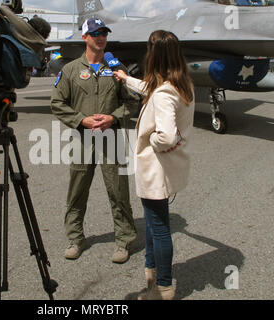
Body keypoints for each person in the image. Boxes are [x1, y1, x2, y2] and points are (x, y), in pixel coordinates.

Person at [113, 30, 195, 300]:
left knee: (159, 228)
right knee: (151, 223)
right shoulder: (181, 85)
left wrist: (151, 140)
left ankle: (163, 287)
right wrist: (126, 79)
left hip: (156, 168)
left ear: (154, 55)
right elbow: (152, 89)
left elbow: (167, 134)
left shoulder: (163, 94)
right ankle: (151, 273)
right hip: (168, 167)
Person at [51, 18, 140, 263]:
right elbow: (57, 103)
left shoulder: (116, 68)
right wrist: (82, 120)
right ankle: (75, 238)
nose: (100, 37)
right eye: (95, 33)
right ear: (85, 38)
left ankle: (124, 240)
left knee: (118, 192)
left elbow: (133, 101)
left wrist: (113, 117)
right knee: (77, 191)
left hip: (111, 139)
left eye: (103, 33)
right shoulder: (70, 70)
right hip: (82, 140)